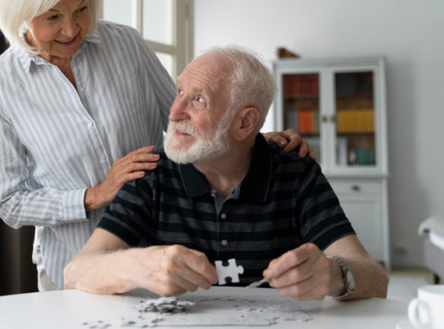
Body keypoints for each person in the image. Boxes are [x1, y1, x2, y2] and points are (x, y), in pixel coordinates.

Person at [0, 0, 312, 291]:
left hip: (159, 258)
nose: (72, 28)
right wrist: (93, 194)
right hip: (73, 267)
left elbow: (188, 125)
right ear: (20, 15)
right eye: (52, 18)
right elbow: (10, 201)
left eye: (82, 8)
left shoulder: (126, 45)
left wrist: (251, 139)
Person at [64, 45, 389, 301]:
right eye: (179, 92)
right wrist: (138, 266)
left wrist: (334, 275)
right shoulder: (151, 172)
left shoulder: (297, 172)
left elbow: (376, 279)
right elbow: (76, 273)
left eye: (199, 99)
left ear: (245, 123)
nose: (174, 113)